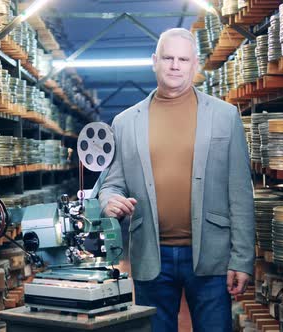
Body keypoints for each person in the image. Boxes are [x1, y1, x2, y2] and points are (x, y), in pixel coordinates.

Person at [98, 28, 255, 332]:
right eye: (168, 57)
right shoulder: (125, 122)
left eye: (183, 59)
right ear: (154, 61)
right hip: (150, 255)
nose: (175, 65)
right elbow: (111, 182)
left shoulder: (225, 116)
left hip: (211, 255)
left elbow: (240, 192)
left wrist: (242, 259)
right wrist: (108, 201)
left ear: (195, 64)